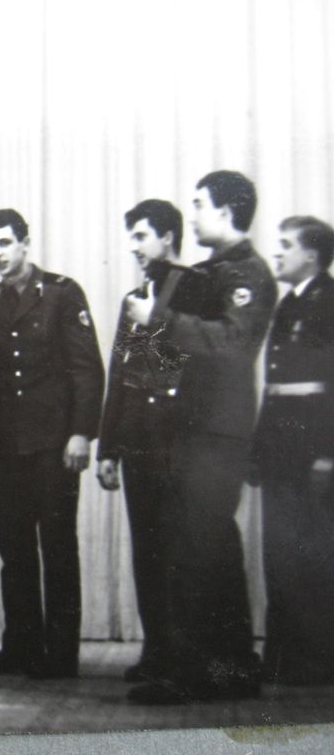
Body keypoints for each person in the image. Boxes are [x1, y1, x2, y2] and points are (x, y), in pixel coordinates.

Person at [126, 170, 277, 703]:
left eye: (199, 204)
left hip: (217, 432)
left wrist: (159, 317)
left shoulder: (248, 273)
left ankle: (198, 672)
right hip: (193, 429)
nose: (191, 215)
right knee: (206, 549)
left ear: (227, 211)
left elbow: (232, 344)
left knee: (197, 551)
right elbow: (172, 361)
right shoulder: (210, 272)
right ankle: (228, 669)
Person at [0, 208, 104, 680]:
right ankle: (21, 647)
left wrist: (81, 432)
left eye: (5, 243)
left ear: (25, 243)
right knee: (15, 550)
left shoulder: (62, 294)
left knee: (58, 548)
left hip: (54, 444)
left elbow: (86, 368)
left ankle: (61, 654)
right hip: (10, 444)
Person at [96, 200, 187, 682]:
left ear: (168, 237)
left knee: (174, 551)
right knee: (146, 549)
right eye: (131, 237)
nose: (134, 246)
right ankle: (157, 649)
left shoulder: (192, 290)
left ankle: (178, 654)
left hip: (175, 443)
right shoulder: (134, 297)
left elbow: (184, 364)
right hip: (136, 443)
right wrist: (108, 449)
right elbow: (121, 374)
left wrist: (153, 320)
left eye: (143, 236)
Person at [251, 215, 334, 685]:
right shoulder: (288, 304)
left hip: (313, 450)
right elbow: (275, 384)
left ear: (312, 255)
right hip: (280, 447)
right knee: (281, 556)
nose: (277, 253)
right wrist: (259, 448)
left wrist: (328, 454)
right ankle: (283, 657)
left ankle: (317, 662)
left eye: (286, 245)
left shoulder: (330, 302)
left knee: (314, 554)